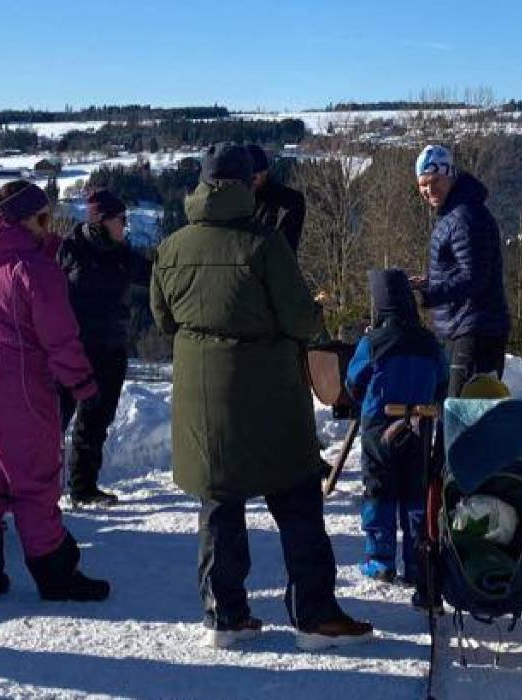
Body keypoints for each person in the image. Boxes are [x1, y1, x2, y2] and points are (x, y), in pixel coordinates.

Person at [152, 143, 374, 651]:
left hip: (201, 394)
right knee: (295, 496)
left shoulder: (172, 246)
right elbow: (300, 319)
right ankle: (314, 616)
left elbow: (164, 319)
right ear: (245, 183)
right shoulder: (264, 243)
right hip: (267, 388)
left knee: (219, 501)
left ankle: (224, 615)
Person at [0, 181, 110, 605]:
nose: (49, 224)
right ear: (28, 219)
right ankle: (56, 576)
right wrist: (83, 385)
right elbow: (60, 337)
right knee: (33, 478)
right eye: (44, 217)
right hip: (13, 380)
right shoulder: (33, 268)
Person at [344, 270, 449, 586]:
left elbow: (353, 383)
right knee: (415, 492)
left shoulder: (372, 343)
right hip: (420, 426)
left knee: (379, 489)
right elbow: (442, 383)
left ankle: (380, 560)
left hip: (380, 427)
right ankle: (417, 563)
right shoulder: (429, 342)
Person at [56, 189, 152, 508]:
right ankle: (36, 490)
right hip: (72, 350)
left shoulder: (123, 254)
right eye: (120, 219)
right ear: (102, 220)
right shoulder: (69, 250)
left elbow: (155, 276)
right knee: (54, 421)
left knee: (96, 421)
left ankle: (84, 488)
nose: (125, 225)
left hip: (111, 348)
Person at [411, 145, 510, 396]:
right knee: (460, 416)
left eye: (435, 181)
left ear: (451, 175)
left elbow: (474, 277)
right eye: (423, 184)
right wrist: (429, 281)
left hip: (477, 332)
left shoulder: (465, 216)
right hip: (464, 327)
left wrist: (430, 294)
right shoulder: (454, 214)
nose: (429, 190)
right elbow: (463, 268)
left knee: (463, 416)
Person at [247, 145, 307, 252]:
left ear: (265, 173)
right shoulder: (235, 200)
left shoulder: (288, 201)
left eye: (254, 176)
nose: (251, 181)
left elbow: (286, 246)